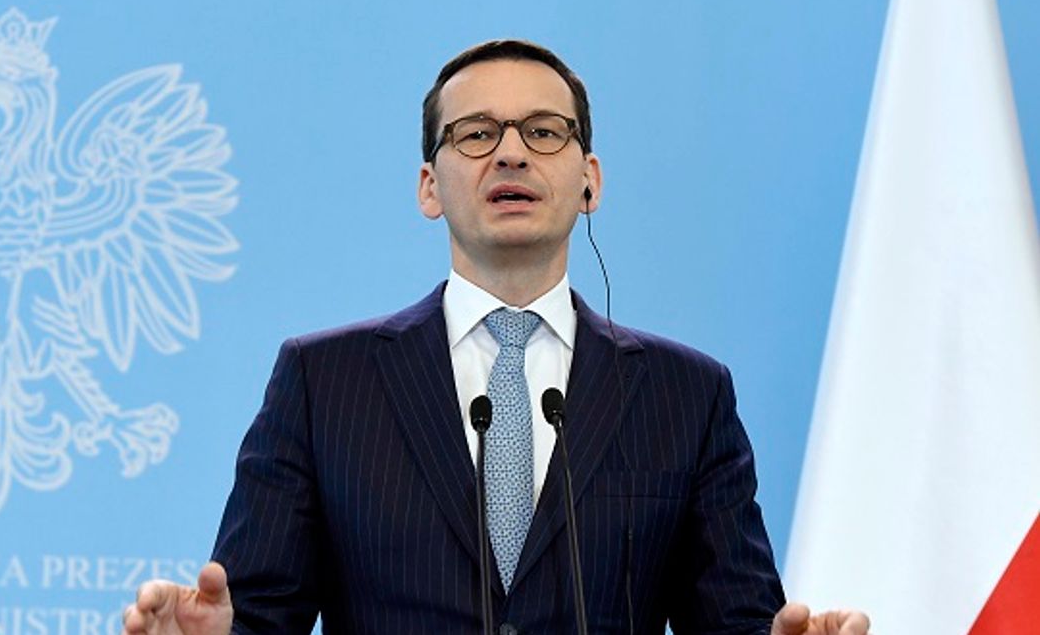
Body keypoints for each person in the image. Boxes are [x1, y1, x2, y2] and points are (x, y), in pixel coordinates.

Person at [121, 41, 871, 634]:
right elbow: (257, 615)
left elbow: (736, 621)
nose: (511, 153)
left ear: (590, 181)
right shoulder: (324, 382)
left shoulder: (685, 394)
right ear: (429, 187)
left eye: (543, 132)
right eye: (476, 134)